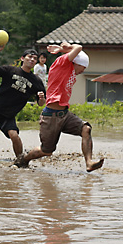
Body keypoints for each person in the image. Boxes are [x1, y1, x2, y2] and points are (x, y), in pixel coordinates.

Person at [17, 42, 104, 172]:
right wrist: (65, 48)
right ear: (77, 63)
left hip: (64, 114)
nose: (83, 71)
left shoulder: (71, 71)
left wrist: (63, 49)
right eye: (83, 68)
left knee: (86, 129)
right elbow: (78, 47)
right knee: (46, 151)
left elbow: (77, 51)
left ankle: (89, 162)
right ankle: (23, 161)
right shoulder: (62, 63)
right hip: (51, 115)